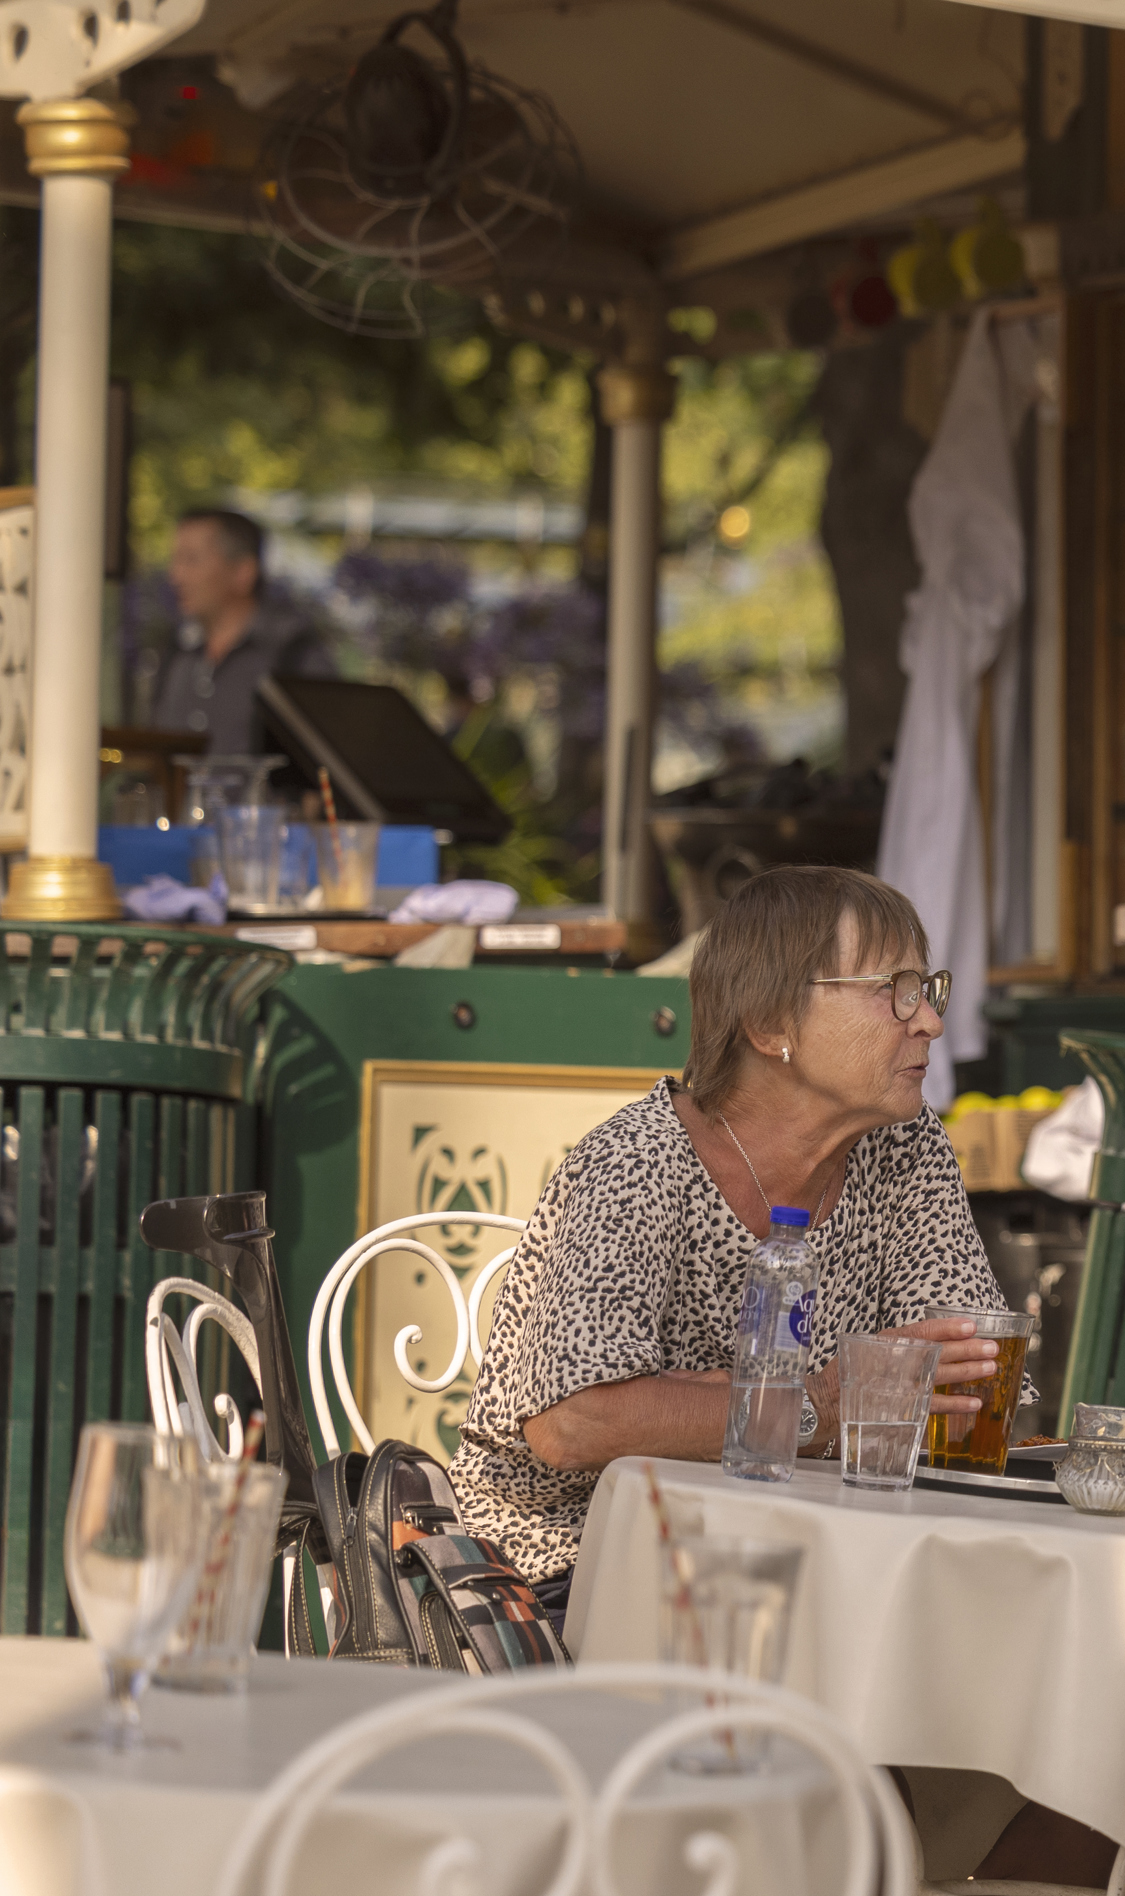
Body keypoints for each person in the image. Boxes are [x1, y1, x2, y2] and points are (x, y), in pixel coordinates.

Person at [458, 866, 1008, 1604]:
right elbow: (574, 1420)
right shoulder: (638, 1162)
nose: (930, 1022)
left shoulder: (905, 1148)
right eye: (896, 992)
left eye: (927, 990)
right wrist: (814, 1406)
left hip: (812, 1548)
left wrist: (693, 1400)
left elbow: (962, 1374)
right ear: (771, 1024)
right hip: (577, 1566)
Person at [142, 505, 336, 755]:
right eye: (175, 560)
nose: (175, 576)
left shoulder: (292, 653)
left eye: (191, 560)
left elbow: (324, 765)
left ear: (243, 572)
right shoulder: (175, 651)